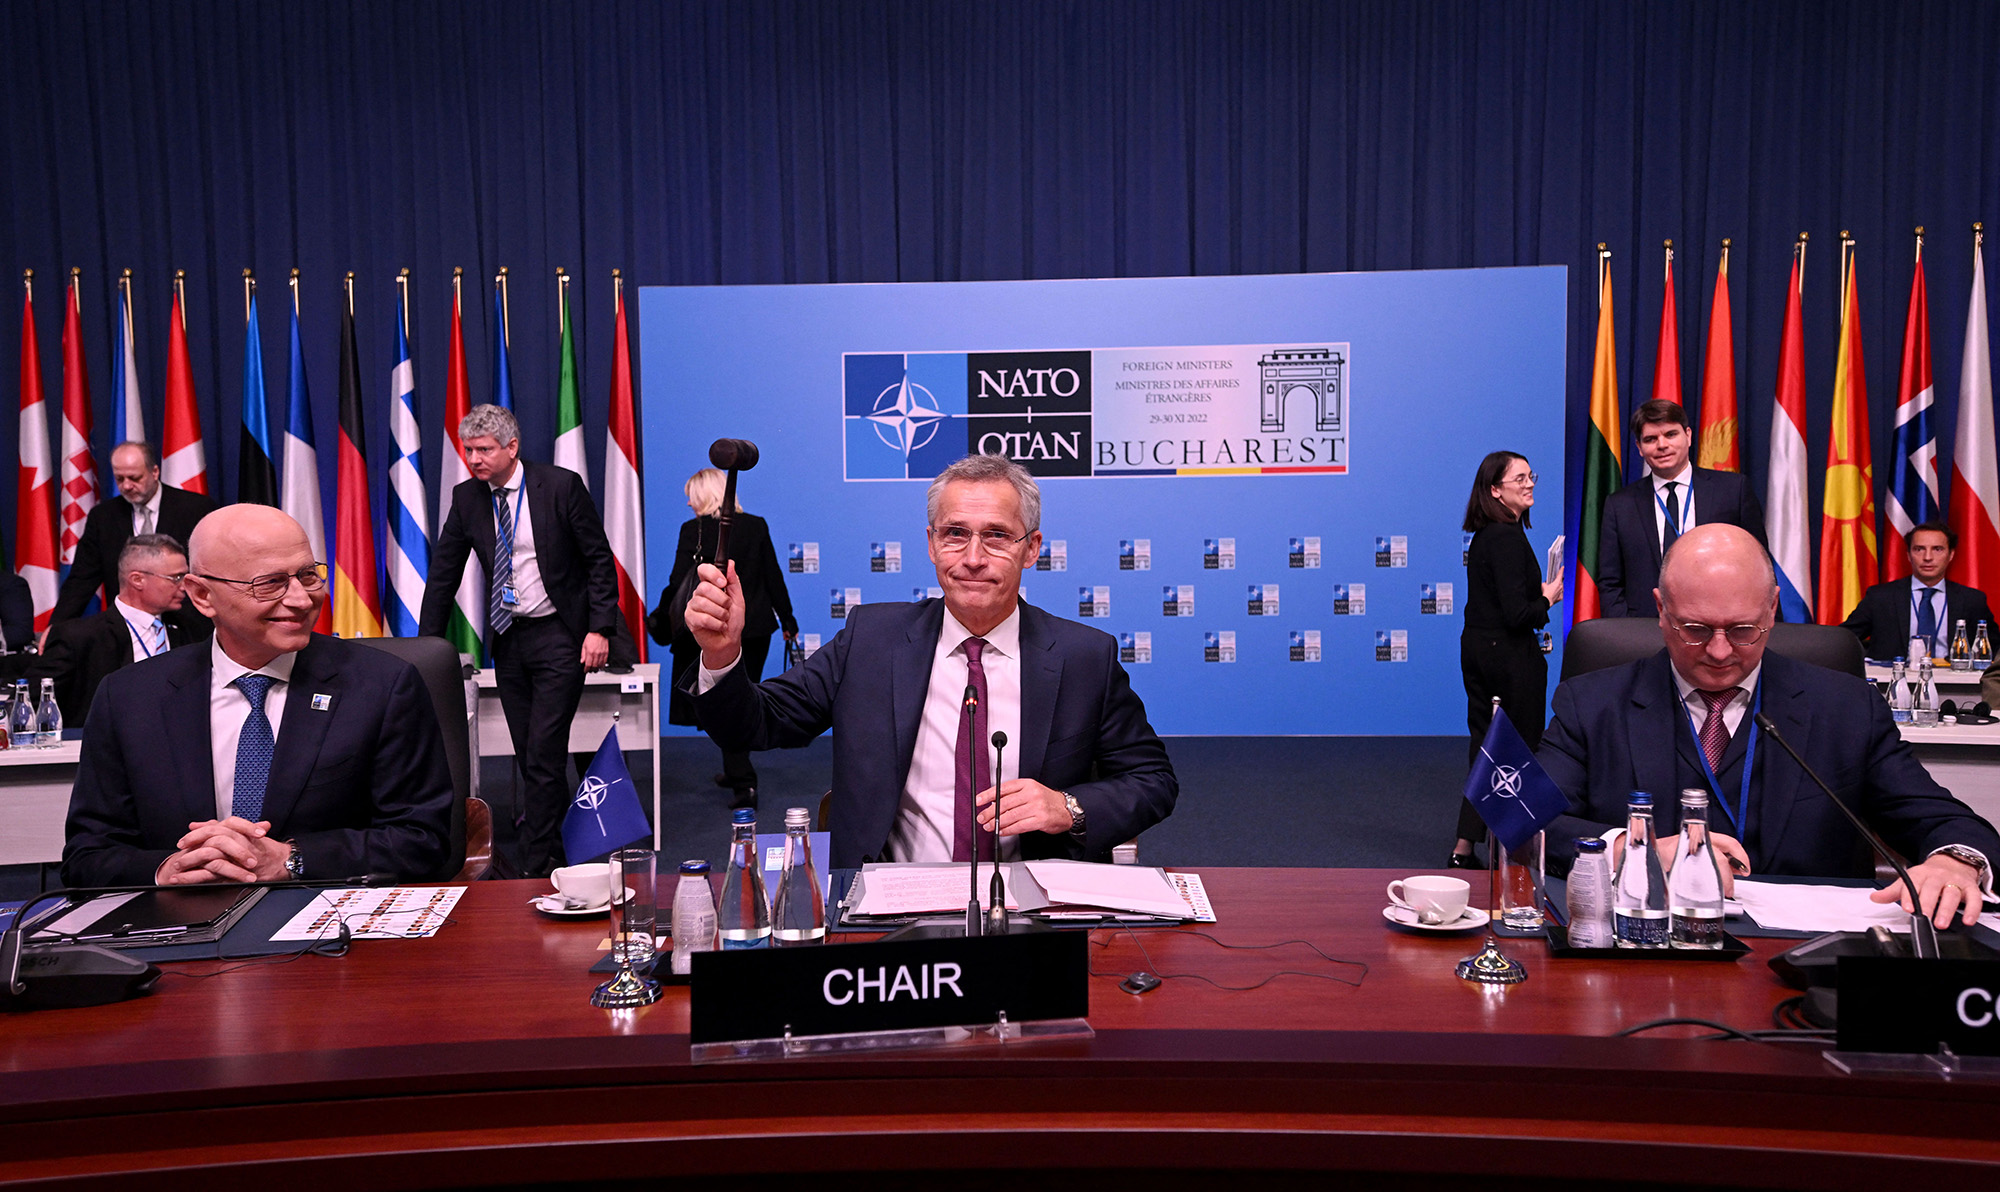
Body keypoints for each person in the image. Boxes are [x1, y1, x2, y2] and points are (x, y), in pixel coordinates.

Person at [682, 453, 1178, 868]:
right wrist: (722, 653)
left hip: (1036, 911)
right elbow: (757, 725)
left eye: (998, 536)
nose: (973, 557)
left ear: (1032, 550)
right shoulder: (871, 640)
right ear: (931, 544)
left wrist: (1066, 806)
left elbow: (1153, 782)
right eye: (955, 533)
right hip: (890, 916)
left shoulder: (1083, 656)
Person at [1539, 524, 1998, 928]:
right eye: (1695, 629)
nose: (1719, 652)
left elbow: (1945, 821)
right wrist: (1632, 851)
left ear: (1772, 608)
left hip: (1805, 962)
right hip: (1644, 948)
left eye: (1742, 630)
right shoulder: (1593, 703)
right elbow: (1529, 821)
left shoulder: (1847, 708)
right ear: (1661, 611)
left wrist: (1957, 862)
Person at [62, 505, 454, 888]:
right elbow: (88, 854)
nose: (301, 599)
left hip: (327, 929)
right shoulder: (128, 698)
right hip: (177, 931)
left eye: (307, 575)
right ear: (202, 596)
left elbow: (423, 840)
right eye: (270, 583)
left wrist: (292, 859)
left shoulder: (382, 686)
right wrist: (166, 870)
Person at [420, 404, 621, 877]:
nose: (475, 459)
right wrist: (424, 645)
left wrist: (600, 628)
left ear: (512, 447)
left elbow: (598, 560)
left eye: (485, 450)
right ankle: (554, 851)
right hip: (509, 639)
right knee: (528, 753)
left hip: (560, 636)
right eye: (469, 450)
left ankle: (534, 864)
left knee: (546, 750)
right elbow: (444, 573)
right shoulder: (467, 498)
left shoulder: (559, 486)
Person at [649, 466, 797, 807]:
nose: (688, 503)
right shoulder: (757, 525)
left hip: (713, 629)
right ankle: (735, 772)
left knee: (727, 703)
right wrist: (787, 618)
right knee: (742, 700)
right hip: (758, 628)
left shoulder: (693, 529)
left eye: (691, 494)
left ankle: (744, 782)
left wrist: (660, 618)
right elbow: (772, 575)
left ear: (704, 494)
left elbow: (677, 582)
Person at [1450, 451, 1564, 868]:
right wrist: (1547, 597)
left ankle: (1467, 847)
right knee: (1517, 750)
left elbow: (1501, 600)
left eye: (1530, 475)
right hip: (1510, 658)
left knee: (1486, 747)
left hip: (1481, 650)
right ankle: (1515, 847)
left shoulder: (1489, 535)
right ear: (1495, 490)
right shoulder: (1505, 537)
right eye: (1519, 478)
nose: (1529, 483)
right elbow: (1520, 615)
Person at [1596, 400, 1766, 618]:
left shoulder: (1733, 491)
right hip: (1645, 630)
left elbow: (1758, 564)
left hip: (1721, 625)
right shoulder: (1620, 505)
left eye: (1670, 434)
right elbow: (1610, 582)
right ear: (1639, 448)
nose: (1662, 445)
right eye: (1650, 439)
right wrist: (1625, 631)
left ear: (1688, 435)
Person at [51, 440, 217, 636]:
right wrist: (56, 627)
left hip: (189, 627)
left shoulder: (195, 509)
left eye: (134, 478)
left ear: (154, 472)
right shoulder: (103, 517)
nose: (127, 486)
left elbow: (211, 569)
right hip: (126, 631)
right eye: (119, 479)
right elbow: (81, 580)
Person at [29, 534, 196, 725]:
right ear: (137, 580)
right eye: (176, 577)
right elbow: (33, 702)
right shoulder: (79, 638)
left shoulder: (188, 629)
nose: (184, 586)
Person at [1840, 519, 1996, 661]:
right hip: (1891, 682)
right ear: (1908, 555)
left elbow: (1995, 646)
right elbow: (1842, 639)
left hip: (1956, 684)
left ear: (1951, 555)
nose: (1927, 557)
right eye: (1919, 549)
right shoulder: (1880, 597)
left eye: (1937, 549)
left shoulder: (1972, 600)